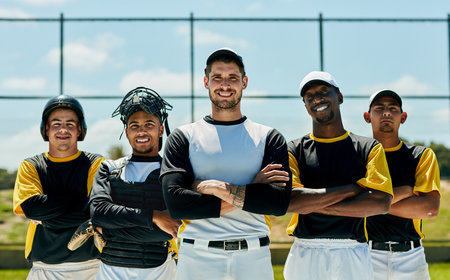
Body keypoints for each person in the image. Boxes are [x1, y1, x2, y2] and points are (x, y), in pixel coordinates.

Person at [160, 48, 291, 280]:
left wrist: (213, 188)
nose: (225, 84)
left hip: (253, 257)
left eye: (233, 77)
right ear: (205, 82)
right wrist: (253, 187)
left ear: (245, 82)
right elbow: (177, 205)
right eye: (217, 77)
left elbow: (277, 203)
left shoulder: (268, 137)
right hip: (197, 256)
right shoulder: (184, 137)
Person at [284, 71, 394, 280]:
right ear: (306, 106)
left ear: (340, 97)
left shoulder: (368, 147)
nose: (317, 99)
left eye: (324, 92)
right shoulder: (294, 149)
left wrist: (311, 204)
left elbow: (381, 203)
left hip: (352, 250)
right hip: (305, 250)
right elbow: (289, 201)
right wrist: (353, 189)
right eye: (310, 97)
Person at [88, 87, 180, 280]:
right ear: (126, 131)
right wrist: (153, 216)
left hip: (159, 271)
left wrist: (110, 231)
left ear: (161, 129)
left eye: (149, 124)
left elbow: (165, 232)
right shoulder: (109, 168)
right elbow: (98, 213)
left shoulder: (173, 172)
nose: (142, 131)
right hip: (109, 272)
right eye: (134, 125)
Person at [13, 95, 105, 280]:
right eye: (56, 124)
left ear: (80, 129)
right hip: (44, 268)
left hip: (92, 267)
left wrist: (46, 218)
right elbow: (32, 209)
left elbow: (96, 212)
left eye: (70, 124)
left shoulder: (96, 163)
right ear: (46, 129)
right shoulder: (31, 165)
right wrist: (82, 202)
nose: (63, 129)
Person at [363, 89, 441, 280]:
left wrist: (371, 203)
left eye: (393, 108)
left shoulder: (421, 155)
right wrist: (406, 192)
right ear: (367, 116)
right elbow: (349, 202)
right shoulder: (357, 155)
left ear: (403, 117)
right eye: (379, 108)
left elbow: (429, 209)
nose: (387, 112)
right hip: (366, 254)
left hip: (411, 256)